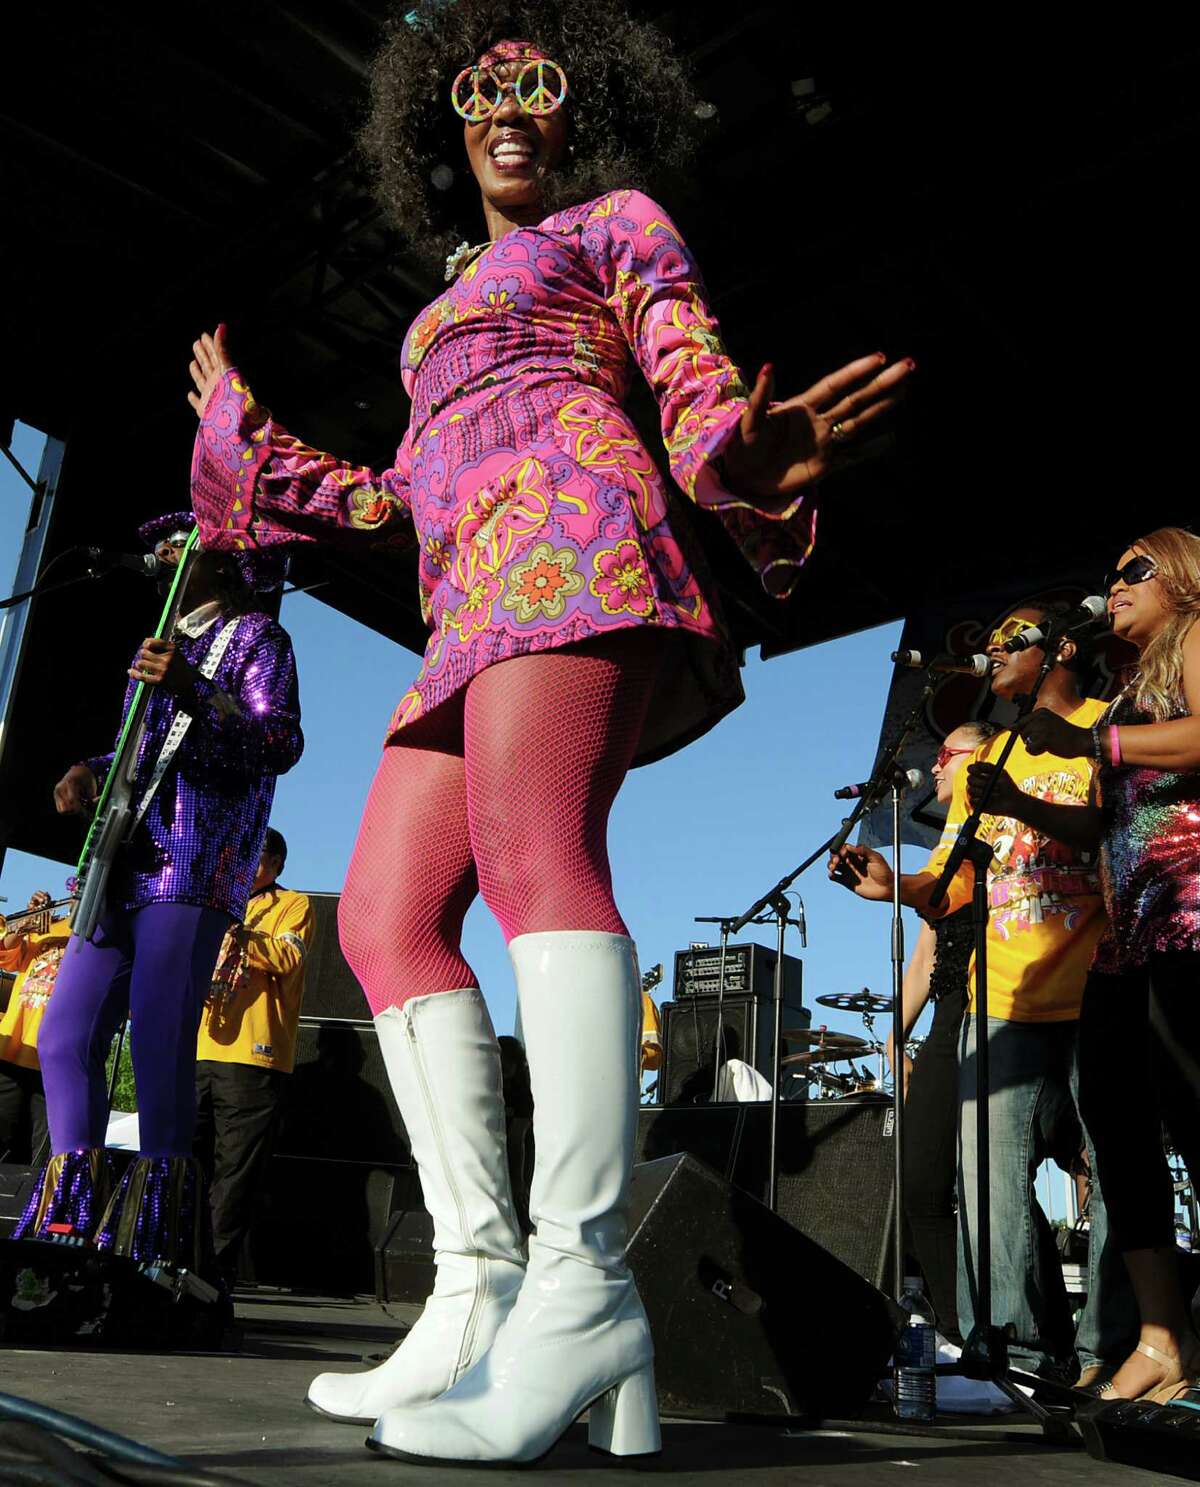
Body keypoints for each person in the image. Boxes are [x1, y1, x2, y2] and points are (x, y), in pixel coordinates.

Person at [187, 1, 913, 1464]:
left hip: (574, 534)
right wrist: (251, 445)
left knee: (536, 858)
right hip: (464, 596)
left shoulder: (615, 225)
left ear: (584, 115)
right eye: (478, 85)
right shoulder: (447, 299)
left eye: (540, 84)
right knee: (387, 917)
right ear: (442, 127)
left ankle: (583, 1283)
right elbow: (394, 497)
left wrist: (733, 452)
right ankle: (478, 1286)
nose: (510, 102)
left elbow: (688, 361)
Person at [830, 599, 1136, 1385]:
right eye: (990, 639)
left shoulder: (1114, 721)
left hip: (1101, 982)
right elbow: (954, 880)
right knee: (987, 1186)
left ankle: (1113, 1350)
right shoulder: (987, 756)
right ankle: (1025, 1357)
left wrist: (1024, 803)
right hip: (1000, 994)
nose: (995, 650)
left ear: (1061, 649)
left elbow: (1118, 829)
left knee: (1117, 1176)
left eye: (1013, 638)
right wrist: (896, 883)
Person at [14, 514, 302, 1270]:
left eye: (189, 538)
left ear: (229, 563)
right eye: (170, 540)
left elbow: (280, 742)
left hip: (193, 863)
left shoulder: (258, 640)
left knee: (159, 1039)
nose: (171, 550)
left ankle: (157, 1244)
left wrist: (194, 687)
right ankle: (71, 1228)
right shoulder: (161, 643)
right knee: (65, 1036)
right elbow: (141, 752)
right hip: (120, 861)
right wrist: (87, 767)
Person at [996, 530, 1200, 1402]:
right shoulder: (1128, 683)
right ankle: (1164, 1335)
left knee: (1191, 1118)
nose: (1113, 585)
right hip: (1131, 929)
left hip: (1192, 915)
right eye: (1109, 574)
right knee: (1116, 1127)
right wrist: (1015, 802)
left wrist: (1094, 749)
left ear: (1183, 577)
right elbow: (1104, 825)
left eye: (1134, 570)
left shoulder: (1195, 634)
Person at [882, 721, 997, 1344]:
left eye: (947, 755)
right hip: (950, 1012)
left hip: (1000, 1006)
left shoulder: (1006, 827)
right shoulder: (942, 849)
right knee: (923, 1178)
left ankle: (1033, 1335)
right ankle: (955, 1333)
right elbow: (926, 952)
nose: (935, 768)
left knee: (999, 1180)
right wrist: (894, 1037)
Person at [194, 827, 315, 1289]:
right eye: (240, 853)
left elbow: (288, 958)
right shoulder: (218, 903)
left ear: (278, 864)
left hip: (253, 1056)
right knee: (185, 1159)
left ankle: (212, 1275)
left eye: (258, 856)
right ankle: (170, 1256)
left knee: (234, 1173)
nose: (248, 863)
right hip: (199, 1047)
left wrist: (239, 934)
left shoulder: (294, 905)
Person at [0, 890, 68, 1166]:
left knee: (40, 1155)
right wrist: (27, 921)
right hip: (12, 1050)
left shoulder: (98, 935)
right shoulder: (48, 925)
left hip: (55, 1061)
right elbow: (6, 955)